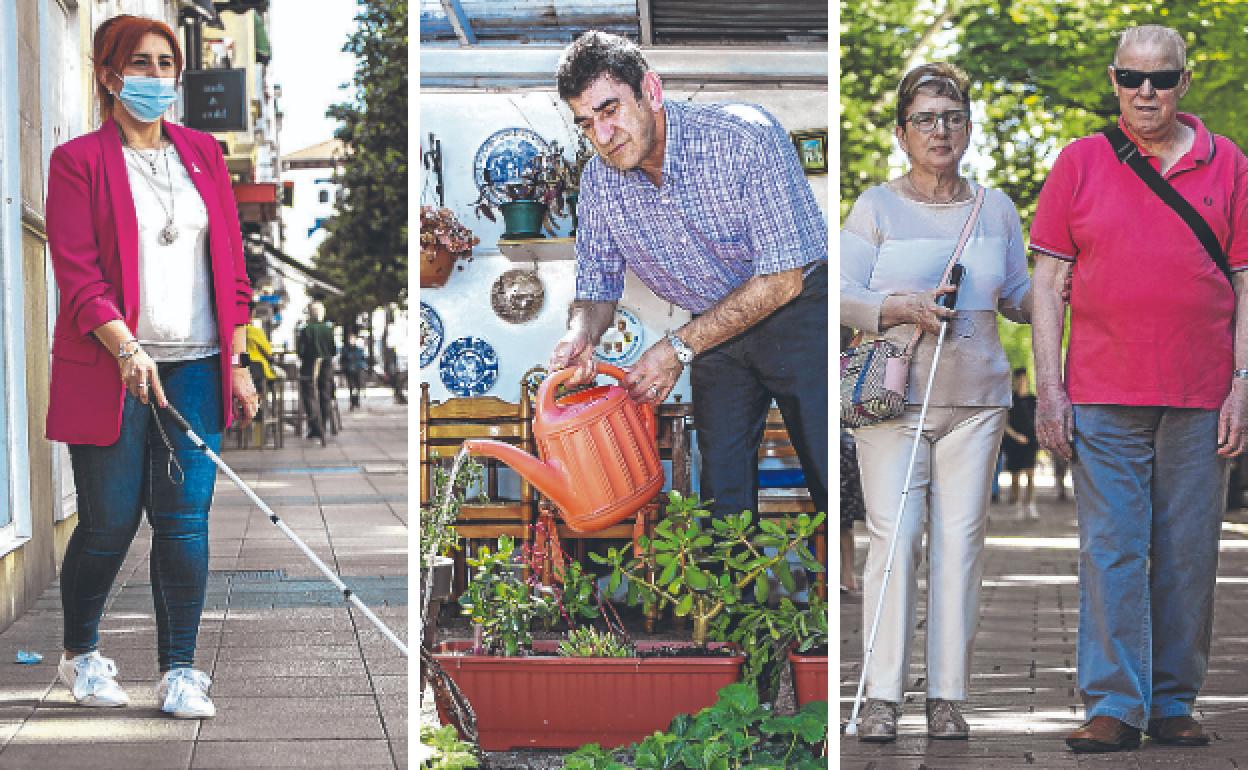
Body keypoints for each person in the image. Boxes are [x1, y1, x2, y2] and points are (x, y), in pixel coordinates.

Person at [1031, 25, 1248, 753]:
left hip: (1201, 393)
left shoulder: (1230, 166)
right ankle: (1116, 705)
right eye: (1131, 78)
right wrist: (1050, 390)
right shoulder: (1081, 162)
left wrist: (1243, 384)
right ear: (1114, 81)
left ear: (1184, 82)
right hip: (1102, 391)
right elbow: (1046, 285)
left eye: (1160, 78)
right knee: (1112, 550)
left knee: (1189, 552)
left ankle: (1174, 701)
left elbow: (1247, 284)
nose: (1145, 92)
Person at [44, 14, 257, 720]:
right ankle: (81, 653)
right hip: (110, 366)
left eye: (168, 63)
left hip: (196, 365)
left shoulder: (202, 153)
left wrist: (240, 363)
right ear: (110, 75)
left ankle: (181, 672)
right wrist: (127, 348)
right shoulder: (77, 162)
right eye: (142, 62)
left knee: (184, 521)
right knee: (108, 522)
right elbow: (77, 273)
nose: (159, 76)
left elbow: (231, 265)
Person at [549, 30, 828, 523]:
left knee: (828, 470)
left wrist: (677, 348)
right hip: (713, 332)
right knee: (721, 500)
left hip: (798, 311)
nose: (602, 135)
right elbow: (596, 289)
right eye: (586, 123)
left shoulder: (744, 137)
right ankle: (732, 602)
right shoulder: (598, 182)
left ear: (651, 91)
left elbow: (782, 280)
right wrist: (580, 335)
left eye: (610, 110)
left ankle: (844, 593)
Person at [841, 62, 1032, 742]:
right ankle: (881, 699)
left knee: (962, 546)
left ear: (969, 128)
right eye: (924, 118)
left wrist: (1082, 282)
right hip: (892, 401)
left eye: (952, 117)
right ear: (901, 133)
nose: (940, 129)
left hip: (977, 402)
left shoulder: (997, 208)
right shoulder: (875, 207)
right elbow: (842, 295)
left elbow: (1017, 297)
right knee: (895, 541)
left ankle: (948, 695)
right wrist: (902, 305)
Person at [1002, 368, 1039, 519]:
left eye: (1024, 379)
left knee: (1031, 475)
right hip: (1014, 443)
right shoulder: (1010, 401)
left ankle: (1030, 505)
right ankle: (1016, 505)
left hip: (1031, 441)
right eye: (1019, 380)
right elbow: (1004, 423)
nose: (1021, 383)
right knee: (1015, 476)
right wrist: (1016, 436)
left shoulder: (1033, 400)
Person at [297, 301, 336, 440]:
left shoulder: (306, 329)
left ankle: (315, 426)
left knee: (309, 395)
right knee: (324, 394)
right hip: (326, 364)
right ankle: (323, 425)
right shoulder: (328, 329)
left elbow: (300, 351)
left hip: (309, 364)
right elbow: (333, 350)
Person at [343, 335, 368, 410]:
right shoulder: (346, 350)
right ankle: (352, 402)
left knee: (357, 387)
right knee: (352, 387)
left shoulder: (359, 350)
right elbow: (343, 360)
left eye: (353, 339)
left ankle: (356, 401)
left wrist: (363, 366)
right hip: (349, 371)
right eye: (351, 340)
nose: (352, 341)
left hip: (358, 370)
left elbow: (363, 359)